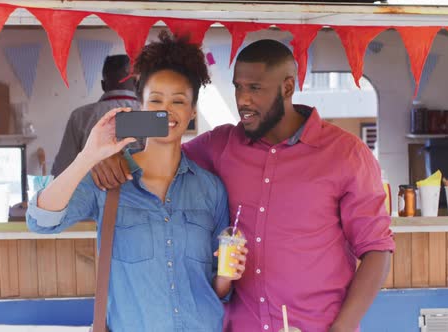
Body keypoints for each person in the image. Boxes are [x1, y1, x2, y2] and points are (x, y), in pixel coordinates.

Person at [93, 39, 395, 332]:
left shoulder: (346, 153)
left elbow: (377, 248)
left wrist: (341, 328)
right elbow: (166, 135)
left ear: (287, 87)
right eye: (238, 87)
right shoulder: (221, 144)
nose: (242, 100)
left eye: (255, 89)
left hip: (317, 326)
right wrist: (115, 152)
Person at [26, 31, 248, 332]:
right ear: (141, 106)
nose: (166, 110)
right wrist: (88, 155)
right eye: (155, 100)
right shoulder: (109, 180)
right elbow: (40, 220)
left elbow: (218, 290)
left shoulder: (210, 189)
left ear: (192, 111)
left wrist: (227, 276)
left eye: (178, 101)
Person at [51, 54, 142, 176]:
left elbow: (62, 169)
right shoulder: (150, 115)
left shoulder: (80, 116)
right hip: (143, 192)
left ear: (103, 85)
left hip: (92, 192)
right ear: (137, 84)